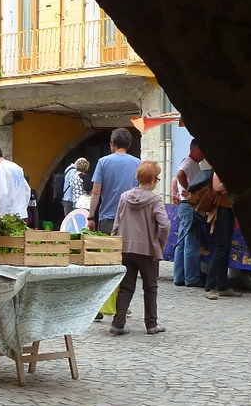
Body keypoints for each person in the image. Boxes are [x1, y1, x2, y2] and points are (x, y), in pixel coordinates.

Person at [110, 161, 171, 336]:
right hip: (147, 250)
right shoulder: (154, 199)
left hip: (125, 247)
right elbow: (165, 224)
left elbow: (117, 221)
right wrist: (160, 244)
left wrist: (115, 242)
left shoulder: (124, 197)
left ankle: (118, 323)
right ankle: (151, 324)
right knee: (150, 287)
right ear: (152, 180)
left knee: (126, 287)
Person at [87, 128, 141, 235]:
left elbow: (96, 192)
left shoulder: (103, 162)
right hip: (130, 218)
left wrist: (91, 217)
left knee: (108, 250)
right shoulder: (138, 163)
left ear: (112, 142)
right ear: (129, 144)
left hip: (107, 218)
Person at [171, 139, 206, 288]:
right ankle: (191, 278)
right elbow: (179, 175)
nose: (204, 155)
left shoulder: (191, 163)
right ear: (194, 149)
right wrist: (190, 190)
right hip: (189, 206)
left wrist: (177, 191)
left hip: (185, 206)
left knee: (182, 242)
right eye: (202, 151)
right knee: (191, 243)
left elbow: (176, 177)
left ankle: (179, 276)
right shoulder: (188, 162)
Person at [204, 172, 242, 301]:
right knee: (221, 249)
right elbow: (217, 187)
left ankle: (222, 286)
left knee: (225, 249)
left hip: (230, 209)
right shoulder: (218, 171)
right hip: (222, 210)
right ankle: (210, 287)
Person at [0, 142, 31, 220]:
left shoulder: (0, 168)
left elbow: (3, 193)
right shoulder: (17, 167)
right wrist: (23, 208)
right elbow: (27, 189)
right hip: (22, 214)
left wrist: (1, 216)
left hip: (10, 215)